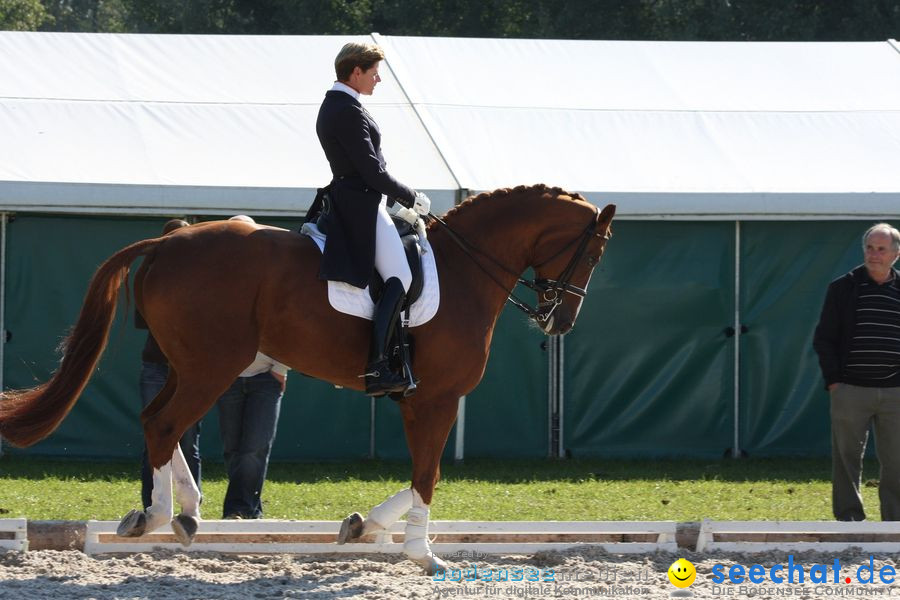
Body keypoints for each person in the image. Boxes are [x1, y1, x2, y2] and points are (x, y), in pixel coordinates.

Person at [315, 42, 431, 397]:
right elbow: (371, 171)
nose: (378, 79)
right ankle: (378, 365)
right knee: (401, 276)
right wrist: (411, 196)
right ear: (356, 72)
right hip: (360, 203)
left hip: (359, 198)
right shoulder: (346, 110)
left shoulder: (340, 105)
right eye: (374, 72)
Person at [813, 223, 900, 521]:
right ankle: (850, 522)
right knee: (846, 461)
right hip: (850, 390)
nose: (874, 255)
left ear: (896, 254)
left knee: (897, 461)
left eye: (881, 249)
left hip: (895, 393)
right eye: (869, 248)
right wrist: (835, 382)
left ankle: (895, 524)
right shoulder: (843, 288)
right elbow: (824, 338)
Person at [137, 218, 201, 511]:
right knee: (157, 431)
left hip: (181, 367)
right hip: (160, 364)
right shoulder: (154, 276)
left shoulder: (195, 280)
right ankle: (154, 499)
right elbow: (145, 319)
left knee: (187, 439)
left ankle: (190, 500)